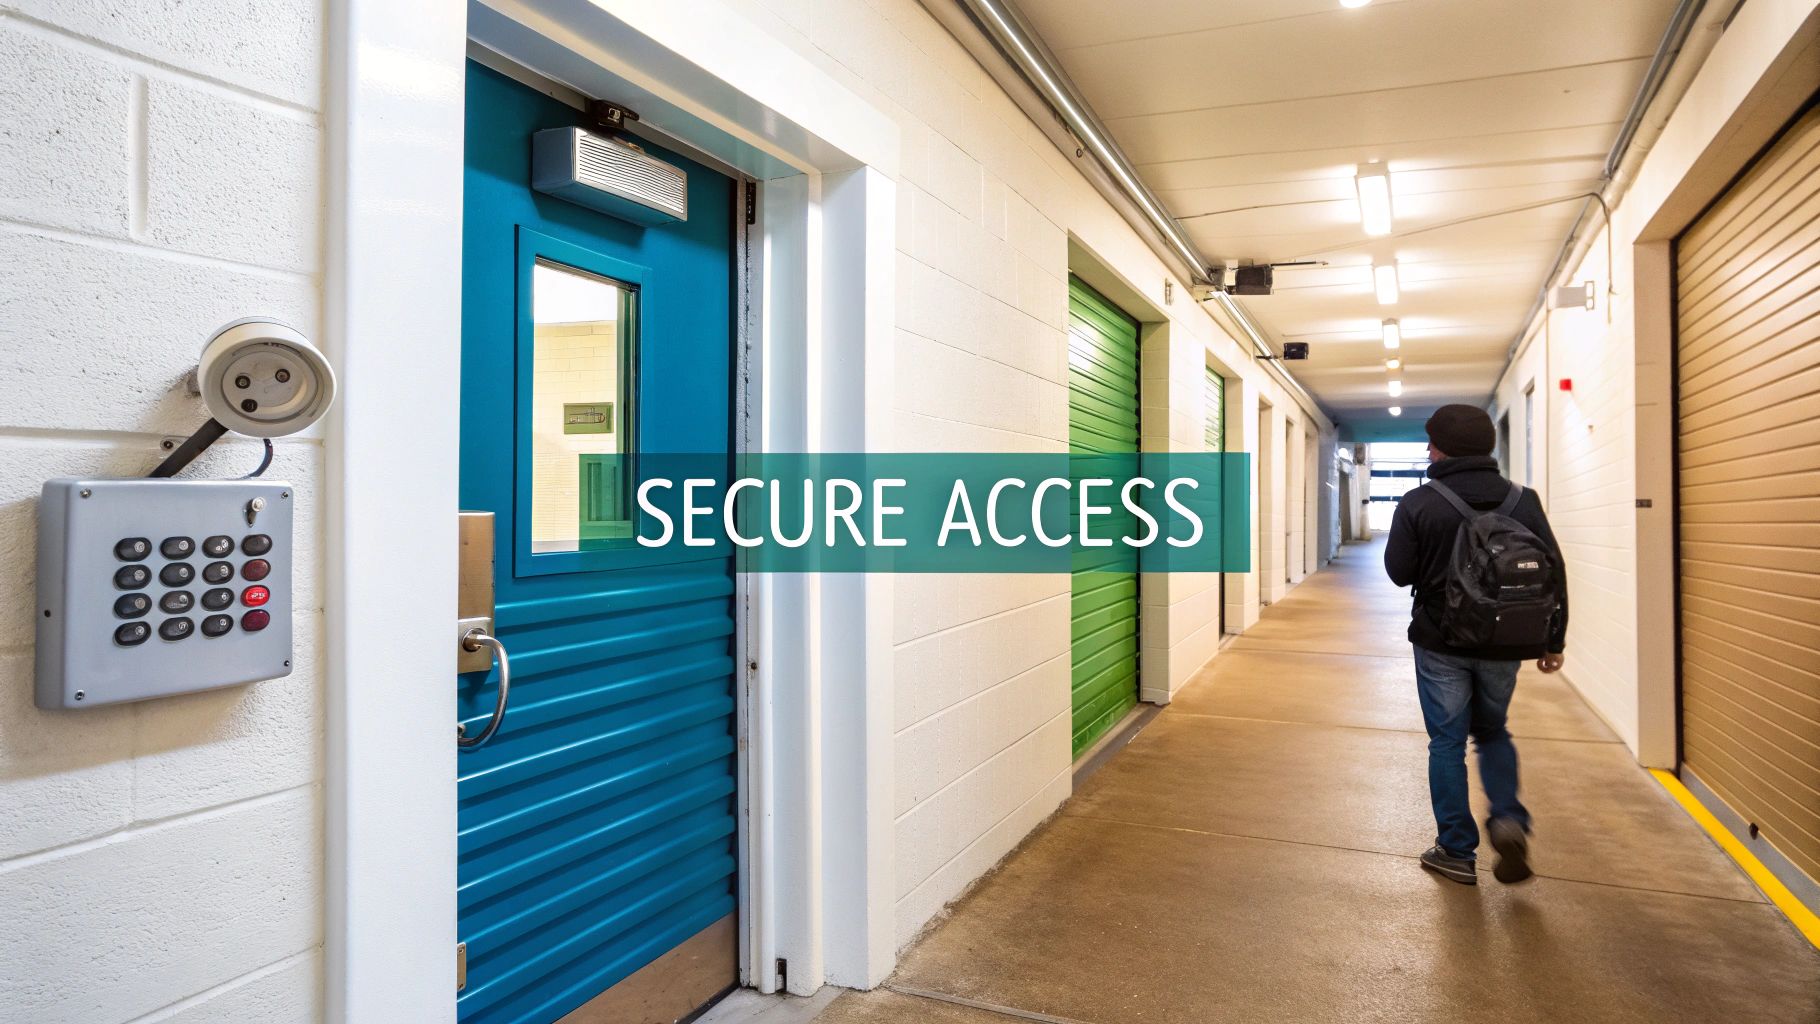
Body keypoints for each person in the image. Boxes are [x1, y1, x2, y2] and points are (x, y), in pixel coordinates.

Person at [1384, 404, 1567, 886]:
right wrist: (1554, 640)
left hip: (1441, 639)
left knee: (1447, 742)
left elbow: (1399, 572)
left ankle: (1456, 850)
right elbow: (1553, 569)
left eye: (1430, 441)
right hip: (1505, 641)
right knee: (1492, 732)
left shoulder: (1420, 501)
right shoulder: (1522, 499)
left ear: (1442, 447)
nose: (1427, 448)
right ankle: (1507, 818)